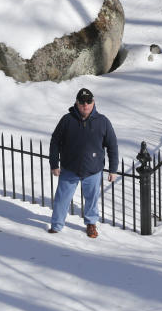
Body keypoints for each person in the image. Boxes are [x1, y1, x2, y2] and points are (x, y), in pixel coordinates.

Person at [48, 87, 118, 238]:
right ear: (76, 103)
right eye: (82, 102)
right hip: (69, 169)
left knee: (91, 200)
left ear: (93, 102)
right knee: (62, 199)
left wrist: (113, 169)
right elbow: (55, 142)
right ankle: (56, 225)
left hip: (93, 170)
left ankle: (91, 224)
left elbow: (112, 146)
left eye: (88, 101)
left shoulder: (103, 122)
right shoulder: (67, 120)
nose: (85, 105)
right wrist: (54, 164)